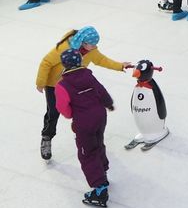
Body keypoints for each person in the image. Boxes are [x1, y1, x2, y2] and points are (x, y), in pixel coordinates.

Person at [36, 25, 130, 161]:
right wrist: (41, 82)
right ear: (83, 42)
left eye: (96, 44)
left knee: (80, 111)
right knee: (53, 113)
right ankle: (47, 137)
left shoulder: (91, 51)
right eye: (92, 44)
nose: (95, 47)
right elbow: (46, 63)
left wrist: (120, 65)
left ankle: (81, 134)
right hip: (54, 86)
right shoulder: (64, 48)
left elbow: (102, 60)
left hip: (74, 85)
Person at [54, 50, 115, 208]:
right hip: (100, 116)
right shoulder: (88, 75)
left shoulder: (62, 85)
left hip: (83, 122)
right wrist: (108, 103)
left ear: (63, 64)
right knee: (98, 142)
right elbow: (101, 91)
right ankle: (103, 172)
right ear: (80, 61)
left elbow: (62, 107)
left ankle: (100, 190)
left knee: (87, 153)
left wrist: (71, 115)